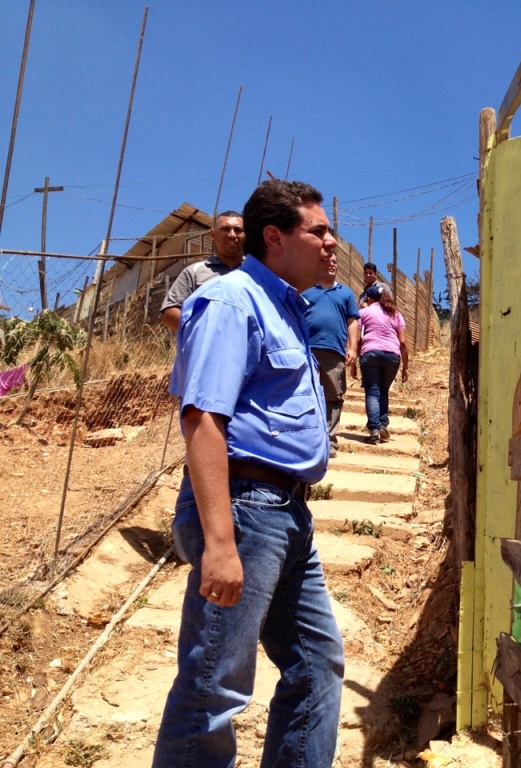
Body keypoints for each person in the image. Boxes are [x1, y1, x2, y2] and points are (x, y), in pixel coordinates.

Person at [152, 180, 345, 768]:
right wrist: (219, 543)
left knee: (318, 663)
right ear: (274, 237)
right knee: (215, 683)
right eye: (318, 230)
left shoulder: (287, 307)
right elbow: (203, 419)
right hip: (246, 508)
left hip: (287, 512)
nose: (332, 242)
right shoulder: (232, 301)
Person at [303, 252, 360, 458]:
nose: (331, 264)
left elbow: (353, 321)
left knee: (333, 396)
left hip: (334, 351)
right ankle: (305, 438)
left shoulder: (345, 293)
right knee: (302, 393)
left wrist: (353, 348)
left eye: (335, 261)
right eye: (327, 261)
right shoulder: (306, 291)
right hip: (305, 350)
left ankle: (329, 441)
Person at [160, 210, 246, 332]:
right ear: (212, 234)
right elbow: (169, 313)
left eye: (238, 230)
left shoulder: (258, 272)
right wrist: (203, 333)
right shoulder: (194, 272)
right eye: (225, 229)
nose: (232, 235)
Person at [358, 284, 408, 444]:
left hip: (370, 352)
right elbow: (403, 342)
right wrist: (406, 367)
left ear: (370, 299)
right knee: (383, 390)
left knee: (372, 391)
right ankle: (382, 424)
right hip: (392, 355)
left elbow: (358, 338)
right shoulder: (395, 313)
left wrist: (354, 362)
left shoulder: (364, 312)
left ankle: (374, 429)